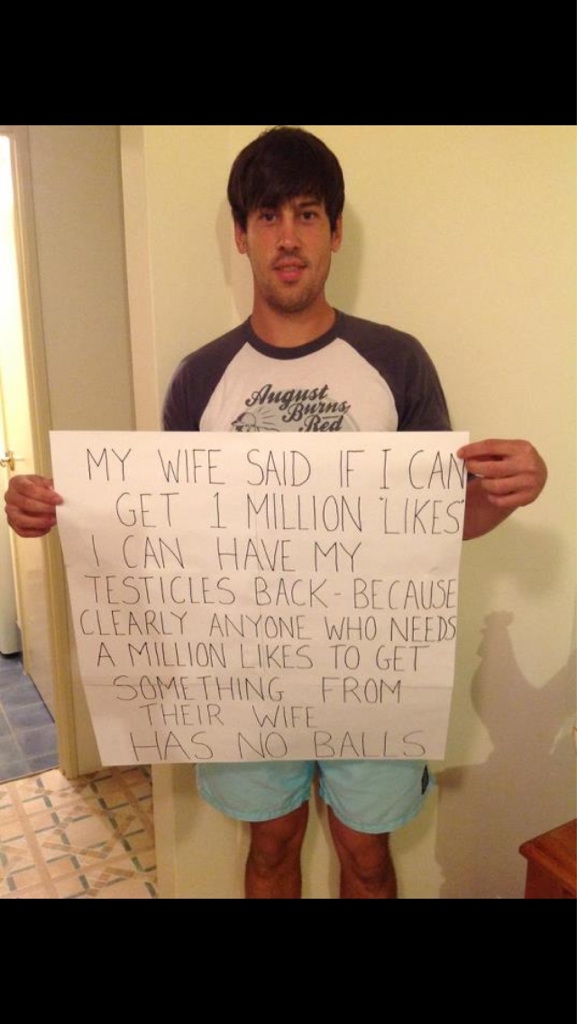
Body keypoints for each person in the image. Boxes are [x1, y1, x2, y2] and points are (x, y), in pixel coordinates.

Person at [4, 126, 547, 899]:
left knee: (366, 855)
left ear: (334, 230)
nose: (287, 237)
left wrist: (501, 495)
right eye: (266, 216)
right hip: (241, 673)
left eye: (306, 213)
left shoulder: (397, 361)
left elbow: (438, 526)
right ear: (241, 234)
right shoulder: (200, 378)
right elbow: (171, 534)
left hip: (372, 667)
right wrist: (62, 512)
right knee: (270, 847)